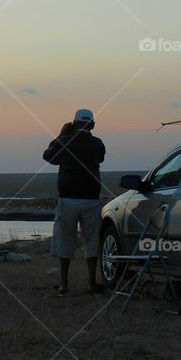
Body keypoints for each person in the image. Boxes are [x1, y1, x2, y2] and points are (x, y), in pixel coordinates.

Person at [42, 109, 106, 296]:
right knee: (92, 241)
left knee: (65, 240)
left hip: (68, 198)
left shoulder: (64, 141)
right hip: (91, 199)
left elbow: (48, 157)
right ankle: (92, 282)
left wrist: (60, 136)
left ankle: (63, 283)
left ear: (74, 123)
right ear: (92, 125)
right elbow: (100, 158)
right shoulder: (97, 143)